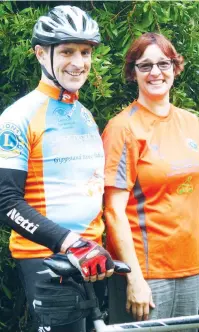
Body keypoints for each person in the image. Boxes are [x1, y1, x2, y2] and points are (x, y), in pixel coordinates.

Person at [0, 5, 114, 332]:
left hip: (93, 257)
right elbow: (6, 201)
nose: (78, 62)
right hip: (48, 258)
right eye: (66, 51)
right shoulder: (18, 117)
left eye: (84, 52)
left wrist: (90, 245)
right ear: (40, 53)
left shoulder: (84, 114)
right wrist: (70, 243)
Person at [102, 32, 199, 330]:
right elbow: (113, 210)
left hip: (190, 267)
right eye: (145, 65)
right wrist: (134, 278)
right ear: (132, 73)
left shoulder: (191, 123)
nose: (156, 73)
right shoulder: (123, 128)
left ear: (176, 67)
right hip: (146, 273)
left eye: (163, 63)